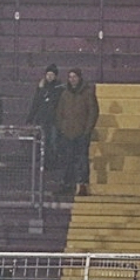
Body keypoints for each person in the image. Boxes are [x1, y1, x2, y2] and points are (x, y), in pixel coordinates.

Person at [54, 67, 100, 196]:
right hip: (67, 133)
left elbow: (93, 112)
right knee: (67, 160)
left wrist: (87, 130)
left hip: (82, 133)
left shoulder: (88, 93)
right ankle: (67, 184)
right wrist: (62, 127)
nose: (72, 80)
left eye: (74, 77)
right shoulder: (65, 94)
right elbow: (60, 112)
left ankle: (83, 185)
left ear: (79, 78)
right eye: (70, 77)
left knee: (82, 159)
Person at [26, 64, 63, 171]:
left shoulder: (59, 89)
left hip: (54, 120)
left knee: (53, 141)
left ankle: (53, 162)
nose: (49, 77)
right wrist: (30, 118)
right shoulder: (41, 88)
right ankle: (44, 162)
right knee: (43, 141)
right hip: (43, 119)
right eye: (48, 74)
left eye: (52, 75)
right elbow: (36, 103)